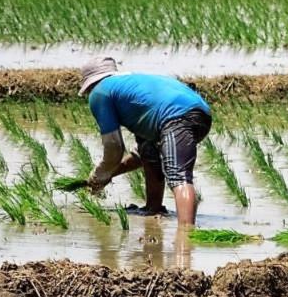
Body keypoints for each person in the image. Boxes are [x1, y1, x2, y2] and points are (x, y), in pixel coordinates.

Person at [79, 56, 212, 227]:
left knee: (178, 176)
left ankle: (186, 236)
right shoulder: (132, 88)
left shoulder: (100, 91)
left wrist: (99, 175)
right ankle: (153, 207)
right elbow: (139, 156)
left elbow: (114, 148)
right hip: (201, 113)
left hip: (176, 116)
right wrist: (108, 175)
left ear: (90, 84)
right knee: (148, 151)